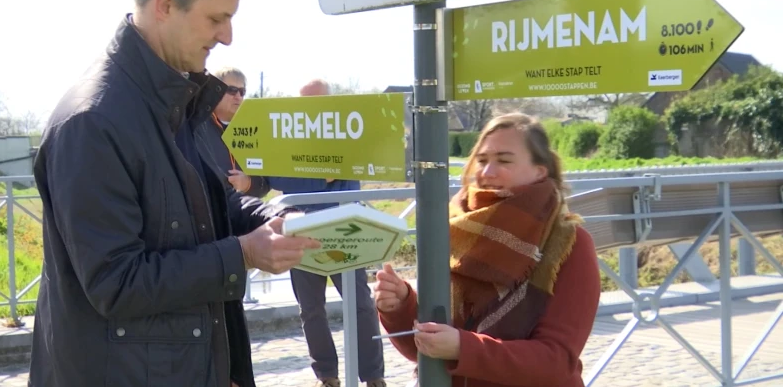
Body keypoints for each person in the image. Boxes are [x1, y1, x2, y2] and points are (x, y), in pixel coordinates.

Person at [27, 0, 320, 387]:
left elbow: (215, 202)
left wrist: (278, 218)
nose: (227, 37)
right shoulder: (93, 122)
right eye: (217, 18)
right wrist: (242, 253)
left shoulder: (176, 97)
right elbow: (116, 281)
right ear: (165, 4)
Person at [373, 112, 601, 387]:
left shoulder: (569, 244)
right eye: (482, 160)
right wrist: (400, 305)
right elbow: (425, 350)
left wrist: (463, 347)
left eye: (504, 161)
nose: (487, 172)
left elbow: (556, 361)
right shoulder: (454, 229)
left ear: (540, 171)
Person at [265, 79, 387, 387]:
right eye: (306, 104)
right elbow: (273, 180)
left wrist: (314, 174)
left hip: (345, 232)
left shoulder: (348, 136)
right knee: (311, 310)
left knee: (360, 304)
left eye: (320, 102)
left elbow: (331, 171)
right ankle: (327, 376)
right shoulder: (288, 142)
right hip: (301, 231)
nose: (314, 111)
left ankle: (373, 377)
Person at [201, 66, 270, 198]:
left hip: (245, 213)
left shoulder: (256, 129)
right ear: (214, 91)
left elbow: (266, 183)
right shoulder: (197, 126)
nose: (238, 96)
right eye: (231, 90)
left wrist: (247, 183)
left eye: (242, 91)